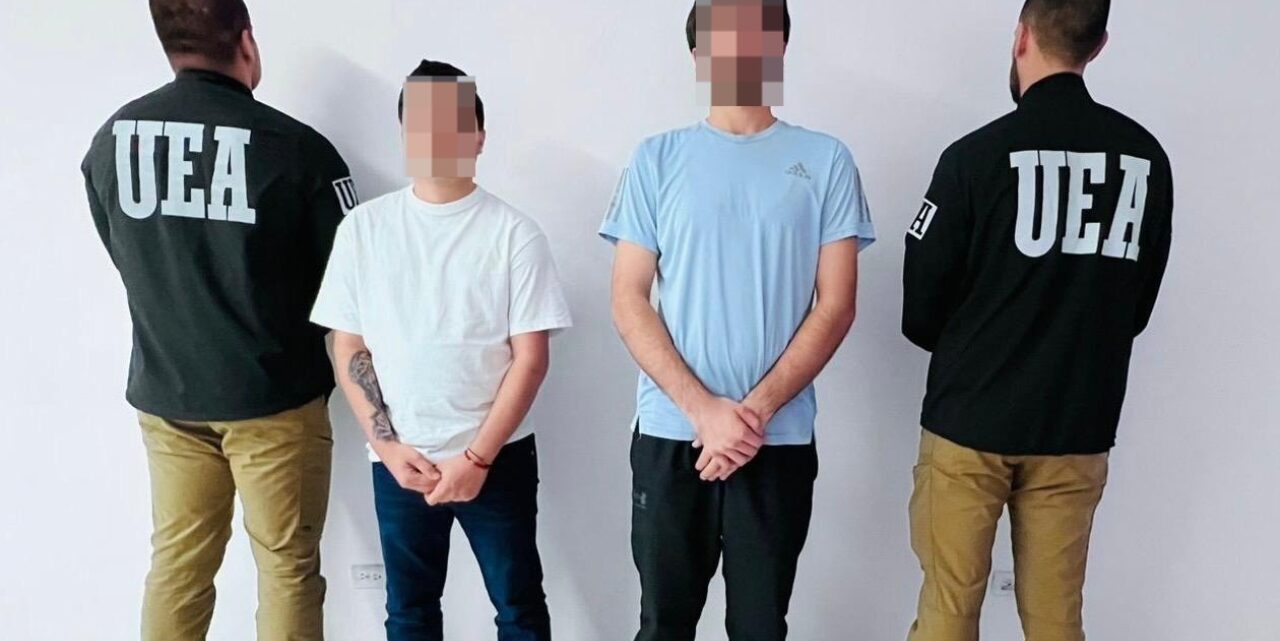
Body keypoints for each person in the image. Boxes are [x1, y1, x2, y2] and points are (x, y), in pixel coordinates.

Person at [80, 1, 356, 639]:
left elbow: (124, 254)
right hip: (273, 398)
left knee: (177, 567)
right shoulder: (298, 150)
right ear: (247, 43)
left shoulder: (112, 139)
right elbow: (351, 282)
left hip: (168, 393)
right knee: (286, 569)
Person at [601, 2, 877, 639]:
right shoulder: (656, 159)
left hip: (776, 440)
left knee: (760, 627)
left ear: (779, 47)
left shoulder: (826, 160)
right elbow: (629, 299)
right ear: (698, 54)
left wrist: (749, 416)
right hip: (672, 433)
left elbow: (836, 304)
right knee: (663, 625)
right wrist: (704, 412)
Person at [901, 1, 1173, 639]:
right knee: (1056, 620)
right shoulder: (1145, 161)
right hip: (1077, 422)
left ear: (1021, 36)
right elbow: (1136, 306)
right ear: (1098, 45)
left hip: (970, 422)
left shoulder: (973, 158)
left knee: (947, 612)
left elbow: (920, 311)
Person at [311, 60, 572, 641]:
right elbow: (348, 344)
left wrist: (476, 460)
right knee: (409, 613)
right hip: (399, 461)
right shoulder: (364, 230)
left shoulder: (514, 233)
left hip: (498, 458)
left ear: (479, 137)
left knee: (519, 608)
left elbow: (531, 358)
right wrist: (388, 445)